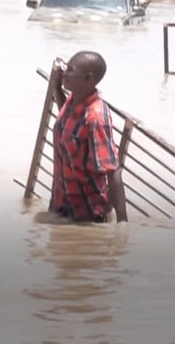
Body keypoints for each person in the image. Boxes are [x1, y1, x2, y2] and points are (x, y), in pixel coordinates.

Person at [48, 51, 127, 223]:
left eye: (70, 70)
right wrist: (56, 87)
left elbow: (113, 171)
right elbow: (69, 124)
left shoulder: (96, 117)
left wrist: (122, 226)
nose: (64, 73)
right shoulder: (73, 101)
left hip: (86, 216)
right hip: (62, 206)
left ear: (88, 78)